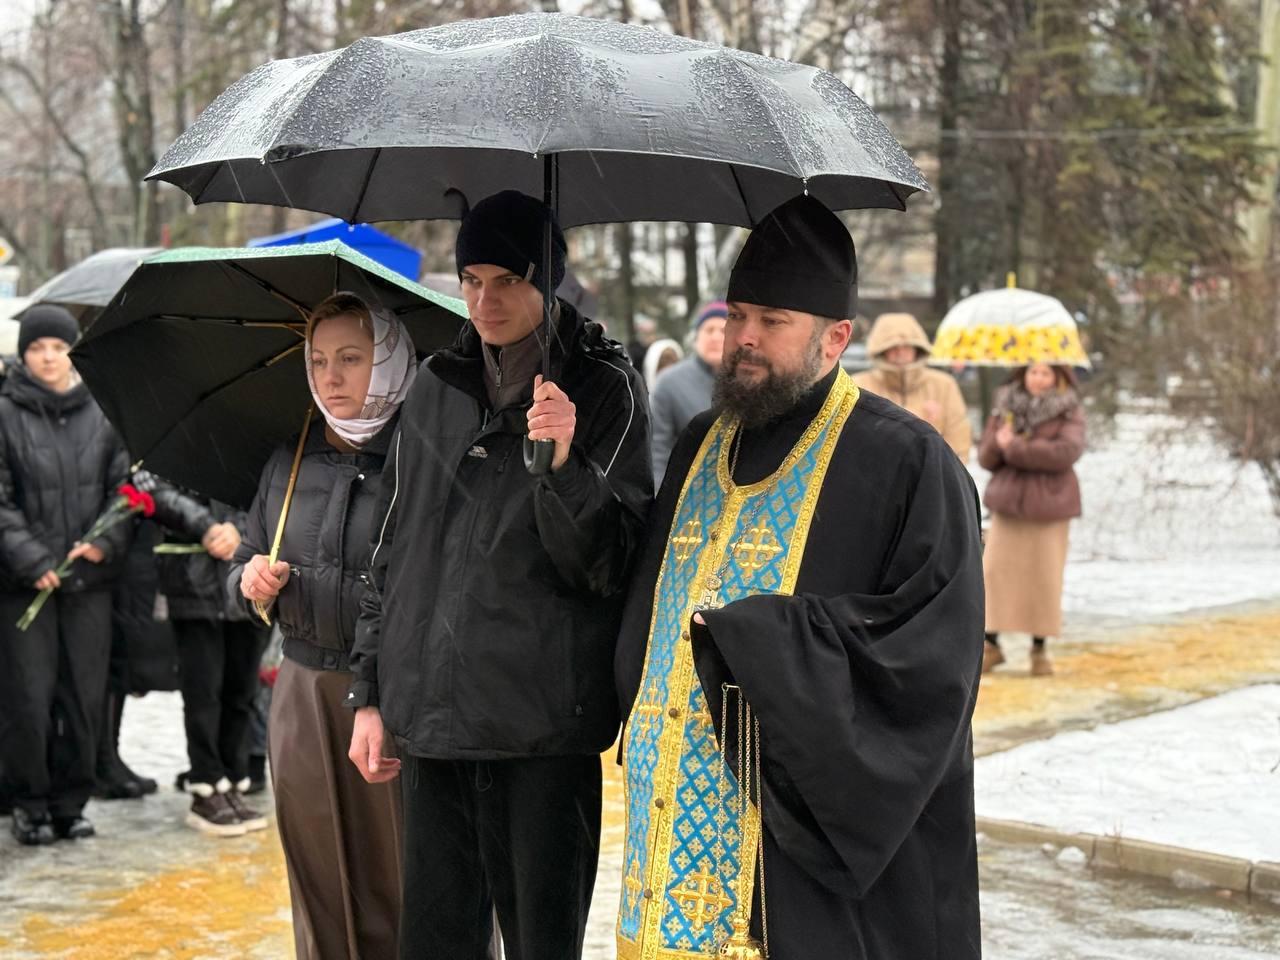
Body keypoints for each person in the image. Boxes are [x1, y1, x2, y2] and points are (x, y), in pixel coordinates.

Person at [614, 195, 984, 960]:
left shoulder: (908, 464)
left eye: (773, 321)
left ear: (835, 338)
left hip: (794, 846)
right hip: (666, 819)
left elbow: (930, 665)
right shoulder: (697, 443)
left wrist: (761, 637)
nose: (744, 339)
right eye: (739, 313)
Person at [346, 190, 652, 960]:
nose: (485, 301)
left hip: (541, 726)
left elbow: (610, 564)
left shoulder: (605, 387)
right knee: (436, 942)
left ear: (546, 280)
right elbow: (393, 544)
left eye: (507, 280)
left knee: (542, 943)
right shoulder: (435, 384)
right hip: (435, 721)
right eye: (471, 279)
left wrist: (562, 464)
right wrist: (372, 693)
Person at [231, 292, 412, 957]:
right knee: (318, 878)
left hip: (394, 696)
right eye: (318, 360)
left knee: (405, 876)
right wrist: (250, 582)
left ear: (390, 361)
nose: (331, 377)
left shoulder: (422, 456)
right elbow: (246, 558)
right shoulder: (288, 458)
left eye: (351, 358)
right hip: (302, 696)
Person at [0, 305, 129, 845]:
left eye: (57, 346)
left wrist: (102, 543)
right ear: (24, 355)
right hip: (24, 585)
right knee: (28, 698)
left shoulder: (102, 410)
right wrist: (31, 559)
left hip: (86, 587)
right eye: (37, 348)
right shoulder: (5, 413)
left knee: (83, 696)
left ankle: (71, 802)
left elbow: (123, 490)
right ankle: (29, 801)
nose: (48, 357)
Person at [153, 487, 269, 835]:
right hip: (193, 579)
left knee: (242, 690)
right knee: (203, 690)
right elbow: (156, 490)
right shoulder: (180, 441)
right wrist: (207, 526)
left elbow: (271, 496)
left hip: (245, 582)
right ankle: (206, 783)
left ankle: (233, 781)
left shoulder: (255, 443)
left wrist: (239, 528)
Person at [977, 362, 1085, 676]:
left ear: (1058, 377)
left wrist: (1018, 447)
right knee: (996, 575)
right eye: (1033, 372)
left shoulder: (1069, 410)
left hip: (1051, 504)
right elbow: (986, 457)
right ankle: (991, 643)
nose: (1038, 379)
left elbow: (1066, 451)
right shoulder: (1004, 408)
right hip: (1009, 503)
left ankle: (1039, 649)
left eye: (1045, 373)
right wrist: (999, 443)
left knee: (1043, 577)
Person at [852, 311, 972, 460]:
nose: (900, 353)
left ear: (918, 348)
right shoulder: (859, 385)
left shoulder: (944, 385)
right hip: (875, 476)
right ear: (881, 350)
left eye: (907, 347)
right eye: (893, 347)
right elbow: (851, 439)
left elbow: (958, 438)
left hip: (933, 475)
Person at [648, 301, 727, 487]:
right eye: (709, 330)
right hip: (685, 495)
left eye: (723, 330)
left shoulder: (750, 383)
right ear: (696, 336)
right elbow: (657, 451)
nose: (715, 337)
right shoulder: (669, 383)